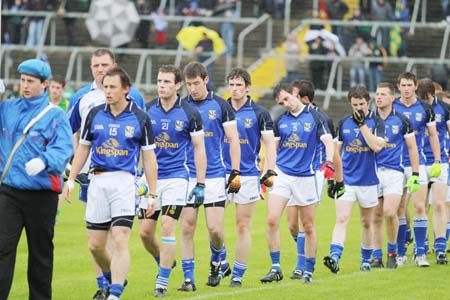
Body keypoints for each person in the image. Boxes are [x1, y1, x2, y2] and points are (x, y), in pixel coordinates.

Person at [64, 67, 158, 300]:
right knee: (95, 246)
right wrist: (72, 179)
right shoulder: (95, 114)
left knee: (120, 236)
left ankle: (115, 293)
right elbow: (83, 147)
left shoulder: (140, 118)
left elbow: (149, 157)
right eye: (105, 86)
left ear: (126, 89)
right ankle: (116, 276)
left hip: (125, 182)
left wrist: (152, 194)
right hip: (97, 182)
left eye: (112, 87)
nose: (107, 91)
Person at [0, 59, 73, 300]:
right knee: (2, 250)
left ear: (45, 84)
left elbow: (63, 149)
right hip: (9, 191)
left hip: (41, 195)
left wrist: (45, 160)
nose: (25, 86)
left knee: (40, 254)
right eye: (22, 80)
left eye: (30, 81)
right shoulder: (8, 108)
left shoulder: (55, 116)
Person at [139, 65, 207, 297]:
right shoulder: (146, 111)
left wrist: (200, 183)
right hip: (150, 179)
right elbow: (139, 147)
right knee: (145, 233)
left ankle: (162, 283)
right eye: (159, 81)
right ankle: (165, 261)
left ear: (178, 85)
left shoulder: (190, 113)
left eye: (167, 82)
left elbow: (199, 148)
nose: (161, 85)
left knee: (168, 226)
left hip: (177, 177)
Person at [260, 83, 336, 284]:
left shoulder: (316, 116)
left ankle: (308, 270)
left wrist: (329, 161)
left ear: (295, 94)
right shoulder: (280, 121)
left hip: (306, 177)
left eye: (286, 99)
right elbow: (272, 149)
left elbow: (329, 142)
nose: (285, 104)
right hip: (283, 174)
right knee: (271, 220)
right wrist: (266, 174)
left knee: (308, 226)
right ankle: (276, 267)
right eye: (280, 102)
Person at [178, 61, 240, 291]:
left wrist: (235, 171)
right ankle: (188, 279)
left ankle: (217, 260)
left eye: (196, 83)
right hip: (188, 175)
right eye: (188, 84)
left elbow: (233, 140)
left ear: (205, 80)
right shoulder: (182, 106)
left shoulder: (221, 105)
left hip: (214, 175)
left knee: (215, 229)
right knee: (186, 227)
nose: (192, 88)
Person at [323, 85, 385, 273]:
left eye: (361, 104)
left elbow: (377, 147)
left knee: (367, 222)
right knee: (341, 218)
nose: (358, 108)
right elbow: (336, 151)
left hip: (369, 181)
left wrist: (362, 125)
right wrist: (333, 178)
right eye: (355, 105)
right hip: (347, 180)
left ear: (368, 102)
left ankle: (366, 259)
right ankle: (334, 257)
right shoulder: (343, 123)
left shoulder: (377, 122)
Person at [224, 68, 276, 287]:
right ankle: (219, 261)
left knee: (242, 225)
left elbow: (270, 144)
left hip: (247, 176)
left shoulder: (260, 113)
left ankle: (237, 274)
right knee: (212, 224)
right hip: (220, 174)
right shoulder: (219, 109)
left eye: (239, 85)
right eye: (231, 85)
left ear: (247, 87)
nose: (235, 89)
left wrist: (270, 170)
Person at [284, 80, 336, 279]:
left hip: (314, 174)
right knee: (291, 224)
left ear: (304, 99)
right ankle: (305, 252)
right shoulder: (287, 117)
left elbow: (333, 148)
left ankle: (303, 265)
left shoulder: (322, 119)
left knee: (307, 222)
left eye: (293, 95)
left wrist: (335, 179)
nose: (289, 100)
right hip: (290, 173)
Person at [393, 72, 441, 267]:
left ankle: (420, 253)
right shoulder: (392, 107)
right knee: (398, 209)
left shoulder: (425, 109)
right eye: (402, 85)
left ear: (415, 87)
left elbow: (433, 135)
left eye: (409, 85)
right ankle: (401, 252)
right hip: (394, 165)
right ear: (398, 87)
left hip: (418, 164)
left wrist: (437, 160)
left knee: (420, 206)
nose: (405, 88)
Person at [372, 82, 419, 269]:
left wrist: (415, 173)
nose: (378, 97)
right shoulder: (369, 120)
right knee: (376, 215)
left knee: (390, 212)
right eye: (377, 94)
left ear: (392, 98)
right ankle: (377, 257)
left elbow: (412, 147)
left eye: (383, 94)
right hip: (373, 172)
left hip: (394, 172)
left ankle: (392, 252)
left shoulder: (402, 120)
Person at [417, 78, 450, 264]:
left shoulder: (444, 109)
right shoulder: (414, 110)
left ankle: (440, 248)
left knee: (439, 204)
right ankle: (420, 245)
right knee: (421, 206)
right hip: (420, 162)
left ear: (431, 95)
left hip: (440, 162)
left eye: (426, 99)